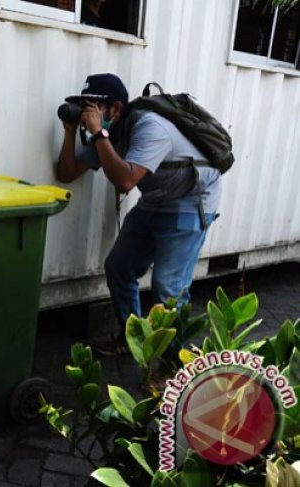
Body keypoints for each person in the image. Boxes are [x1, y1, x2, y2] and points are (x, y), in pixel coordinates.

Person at [55, 73, 221, 353]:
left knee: (168, 287)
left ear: (116, 108)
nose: (87, 114)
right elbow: (67, 173)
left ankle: (172, 368)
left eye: (93, 107)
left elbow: (125, 181)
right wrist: (71, 133)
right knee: (119, 266)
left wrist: (97, 134)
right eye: (84, 107)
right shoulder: (110, 134)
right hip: (156, 200)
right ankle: (132, 339)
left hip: (191, 201)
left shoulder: (149, 126)